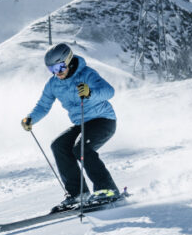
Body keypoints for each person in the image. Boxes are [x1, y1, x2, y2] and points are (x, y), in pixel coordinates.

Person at [21, 43, 122, 211]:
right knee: (58, 145)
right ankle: (78, 194)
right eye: (52, 69)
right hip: (81, 123)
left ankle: (107, 190)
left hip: (103, 120)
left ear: (68, 61)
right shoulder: (53, 84)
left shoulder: (86, 74)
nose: (57, 72)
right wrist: (30, 119)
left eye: (60, 67)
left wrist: (90, 93)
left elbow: (109, 91)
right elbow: (43, 105)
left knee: (81, 149)